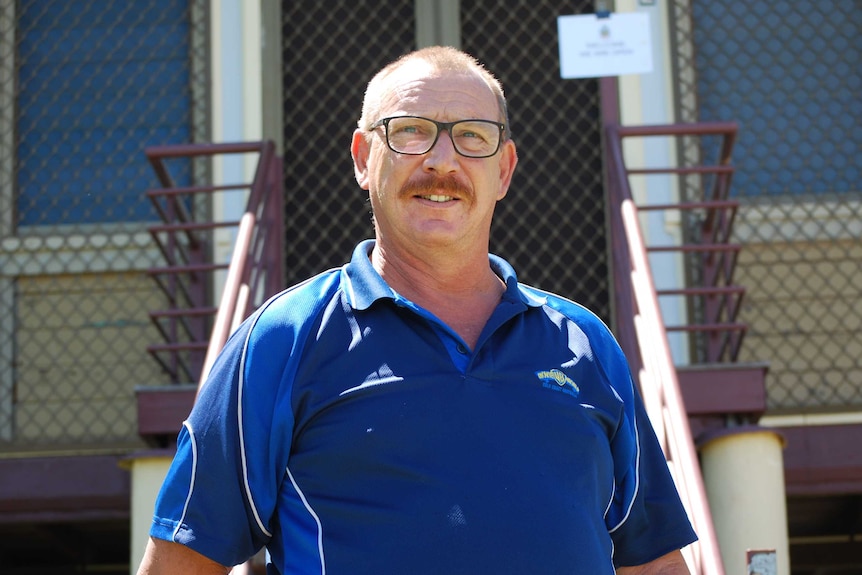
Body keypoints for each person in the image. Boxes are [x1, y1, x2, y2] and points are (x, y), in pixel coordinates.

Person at [137, 46, 697, 575]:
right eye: (410, 132)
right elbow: (183, 560)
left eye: (472, 137)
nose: (441, 161)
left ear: (504, 170)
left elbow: (654, 561)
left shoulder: (585, 344)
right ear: (362, 158)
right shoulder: (281, 342)